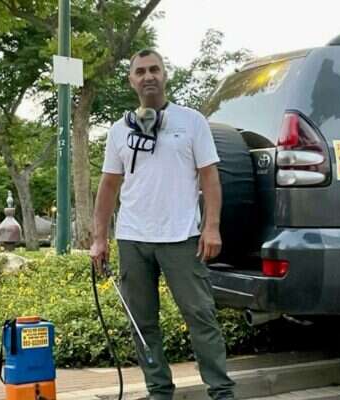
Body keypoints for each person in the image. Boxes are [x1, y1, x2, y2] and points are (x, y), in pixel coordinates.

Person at [90, 49, 236, 400]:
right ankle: (159, 391)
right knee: (142, 323)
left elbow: (210, 177)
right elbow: (108, 185)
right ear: (131, 80)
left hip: (181, 236)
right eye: (140, 71)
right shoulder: (119, 131)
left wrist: (211, 227)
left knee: (200, 315)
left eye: (154, 69)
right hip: (133, 238)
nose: (148, 76)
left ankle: (221, 391)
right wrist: (99, 239)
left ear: (165, 74)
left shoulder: (192, 122)